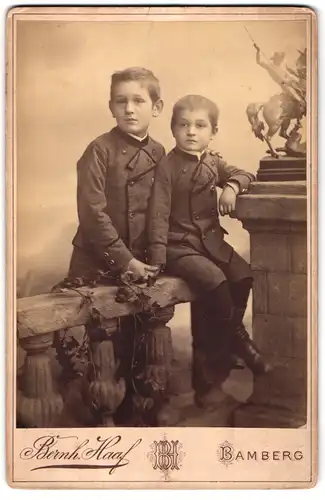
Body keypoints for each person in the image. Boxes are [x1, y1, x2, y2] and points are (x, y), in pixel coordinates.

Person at [147, 95, 271, 404]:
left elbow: (245, 173)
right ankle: (238, 343)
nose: (191, 132)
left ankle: (229, 343)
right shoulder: (167, 166)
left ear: (212, 132)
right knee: (216, 284)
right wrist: (158, 259)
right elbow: (159, 214)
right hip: (179, 247)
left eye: (200, 125)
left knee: (242, 277)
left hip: (211, 243)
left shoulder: (213, 161)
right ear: (173, 130)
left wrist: (230, 187)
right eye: (183, 125)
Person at [67, 67, 173, 425]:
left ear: (156, 108)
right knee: (104, 348)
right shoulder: (98, 150)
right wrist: (126, 261)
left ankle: (141, 413)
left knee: (141, 342)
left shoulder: (161, 153)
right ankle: (106, 423)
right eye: (120, 101)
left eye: (138, 101)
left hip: (141, 266)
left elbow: (162, 211)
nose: (129, 109)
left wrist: (155, 259)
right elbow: (92, 214)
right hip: (99, 263)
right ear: (110, 106)